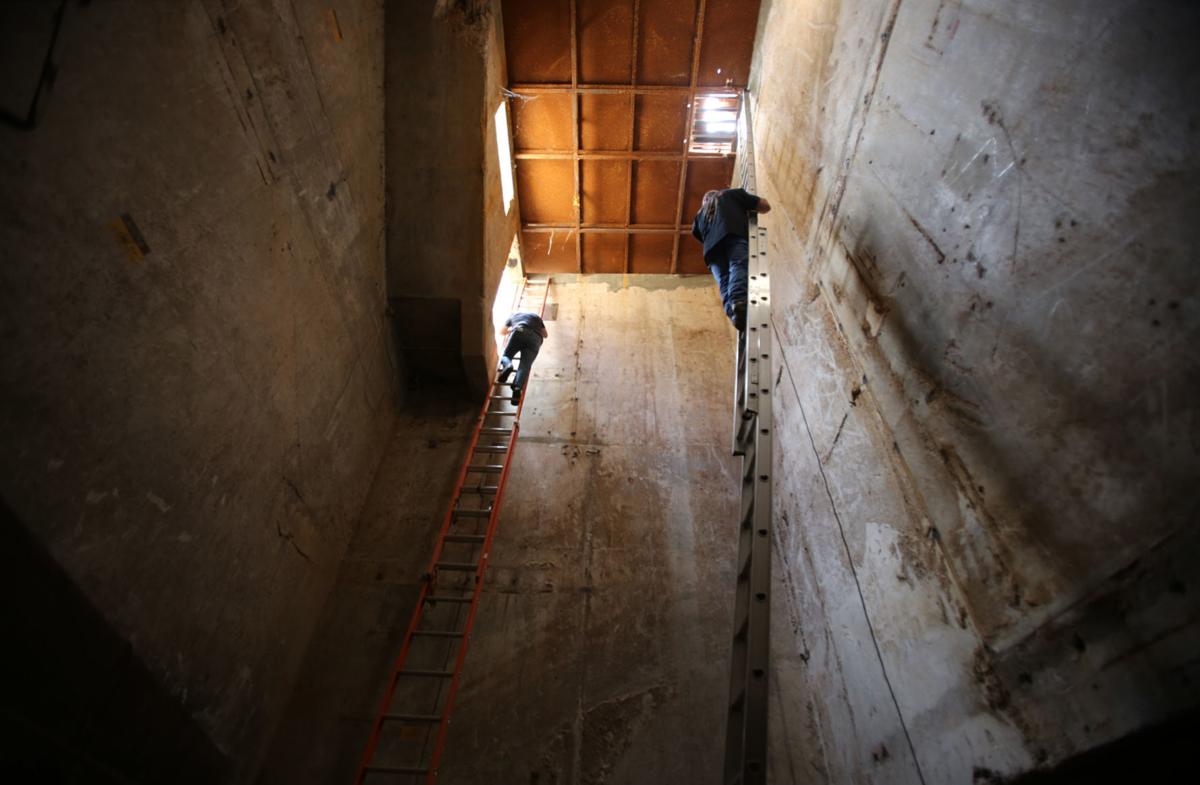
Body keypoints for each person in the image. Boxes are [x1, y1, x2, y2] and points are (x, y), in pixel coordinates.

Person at [691, 187, 771, 331]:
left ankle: (734, 313)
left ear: (704, 202)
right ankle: (738, 301)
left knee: (724, 281)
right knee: (738, 265)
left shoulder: (698, 217)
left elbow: (698, 235)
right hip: (732, 234)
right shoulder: (730, 194)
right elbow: (765, 207)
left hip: (711, 252)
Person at [497, 311, 548, 405]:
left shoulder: (513, 315)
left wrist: (511, 330)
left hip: (519, 330)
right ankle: (517, 387)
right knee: (525, 365)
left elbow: (502, 332)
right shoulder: (536, 316)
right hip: (536, 339)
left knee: (506, 355)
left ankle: (508, 365)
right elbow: (545, 335)